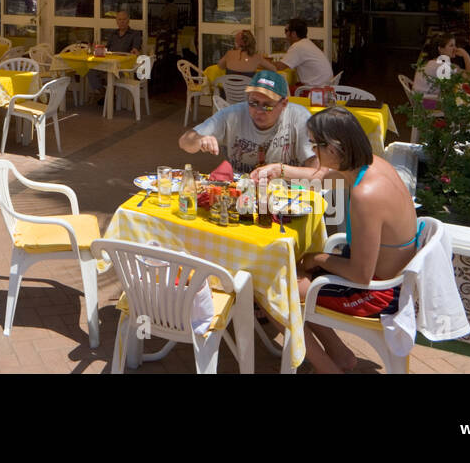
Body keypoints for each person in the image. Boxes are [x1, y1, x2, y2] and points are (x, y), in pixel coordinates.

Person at [252, 107, 421, 373]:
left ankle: (327, 368)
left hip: (378, 292)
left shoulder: (366, 195)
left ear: (335, 148)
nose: (313, 153)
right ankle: (340, 355)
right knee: (288, 272)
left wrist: (317, 258)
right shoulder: (373, 165)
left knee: (269, 290)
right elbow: (322, 177)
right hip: (389, 277)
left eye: (316, 146)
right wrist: (278, 169)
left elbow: (360, 274)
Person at [179, 70, 317, 173]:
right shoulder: (233, 114)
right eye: (253, 102)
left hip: (287, 192)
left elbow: (316, 168)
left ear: (284, 104)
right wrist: (199, 140)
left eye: (267, 105)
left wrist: (281, 171)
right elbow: (184, 142)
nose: (259, 110)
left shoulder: (299, 117)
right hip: (241, 190)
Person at [269, 18, 334, 87]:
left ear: (293, 34)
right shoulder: (306, 42)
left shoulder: (298, 46)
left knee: (282, 90)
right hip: (326, 84)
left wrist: (262, 63)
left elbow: (280, 67)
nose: (285, 34)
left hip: (317, 89)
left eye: (286, 31)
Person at [412, 31, 470, 98]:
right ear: (440, 49)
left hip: (420, 100)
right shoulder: (441, 66)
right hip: (427, 104)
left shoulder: (432, 62)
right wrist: (466, 55)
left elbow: (461, 72)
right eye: (451, 45)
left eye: (455, 45)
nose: (455, 49)